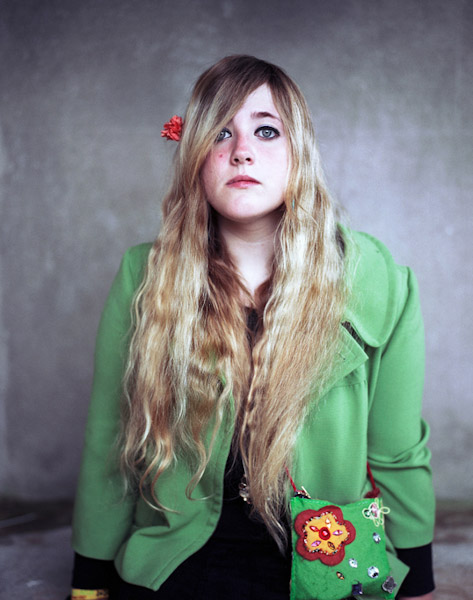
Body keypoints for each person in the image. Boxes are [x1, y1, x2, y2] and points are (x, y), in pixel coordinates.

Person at [69, 55, 435, 600]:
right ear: (195, 156)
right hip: (178, 565)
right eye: (221, 132)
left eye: (266, 131)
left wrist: (419, 581)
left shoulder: (380, 281)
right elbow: (111, 441)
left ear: (299, 152)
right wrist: (89, 579)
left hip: (328, 566)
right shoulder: (144, 276)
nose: (241, 150)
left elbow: (397, 452)